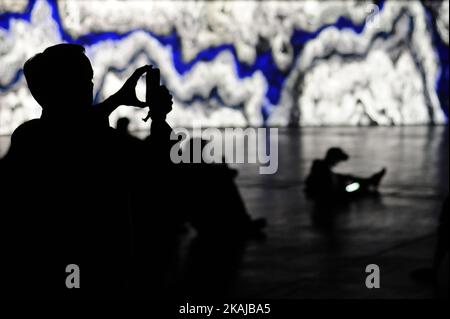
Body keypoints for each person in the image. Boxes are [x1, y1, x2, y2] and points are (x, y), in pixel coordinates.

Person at [0, 44, 173, 297]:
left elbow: (68, 126)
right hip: (102, 273)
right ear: (68, 87)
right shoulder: (105, 142)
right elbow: (157, 166)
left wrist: (116, 100)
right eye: (84, 80)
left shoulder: (28, 137)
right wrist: (158, 119)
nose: (90, 86)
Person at [305, 147, 386, 201]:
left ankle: (371, 181)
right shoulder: (324, 170)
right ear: (334, 158)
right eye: (338, 160)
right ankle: (371, 181)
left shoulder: (320, 166)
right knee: (356, 186)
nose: (338, 163)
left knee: (350, 179)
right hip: (330, 195)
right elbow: (331, 189)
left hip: (323, 192)